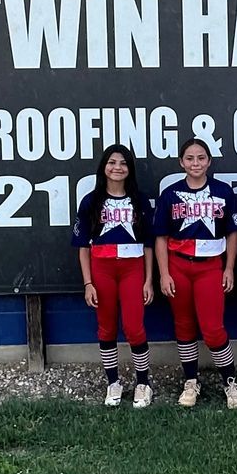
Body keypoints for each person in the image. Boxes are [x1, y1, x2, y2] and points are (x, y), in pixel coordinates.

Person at [153, 137, 237, 410]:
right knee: (183, 325)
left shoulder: (223, 192)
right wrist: (164, 273)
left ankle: (230, 382)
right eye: (190, 158)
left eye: (201, 158)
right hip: (179, 265)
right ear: (181, 162)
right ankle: (191, 381)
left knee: (213, 329)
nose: (196, 163)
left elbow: (232, 232)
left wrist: (229, 267)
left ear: (209, 161)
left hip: (210, 266)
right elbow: (160, 237)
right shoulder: (170, 194)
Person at [74, 143, 156, 407]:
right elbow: (83, 247)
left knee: (134, 326)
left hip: (133, 268)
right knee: (106, 326)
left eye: (123, 163)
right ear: (104, 167)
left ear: (129, 169)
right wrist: (88, 283)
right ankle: (113, 382)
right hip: (102, 269)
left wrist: (148, 279)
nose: (117, 167)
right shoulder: (91, 201)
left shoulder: (140, 201)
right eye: (112, 162)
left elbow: (148, 244)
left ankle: (143, 383)